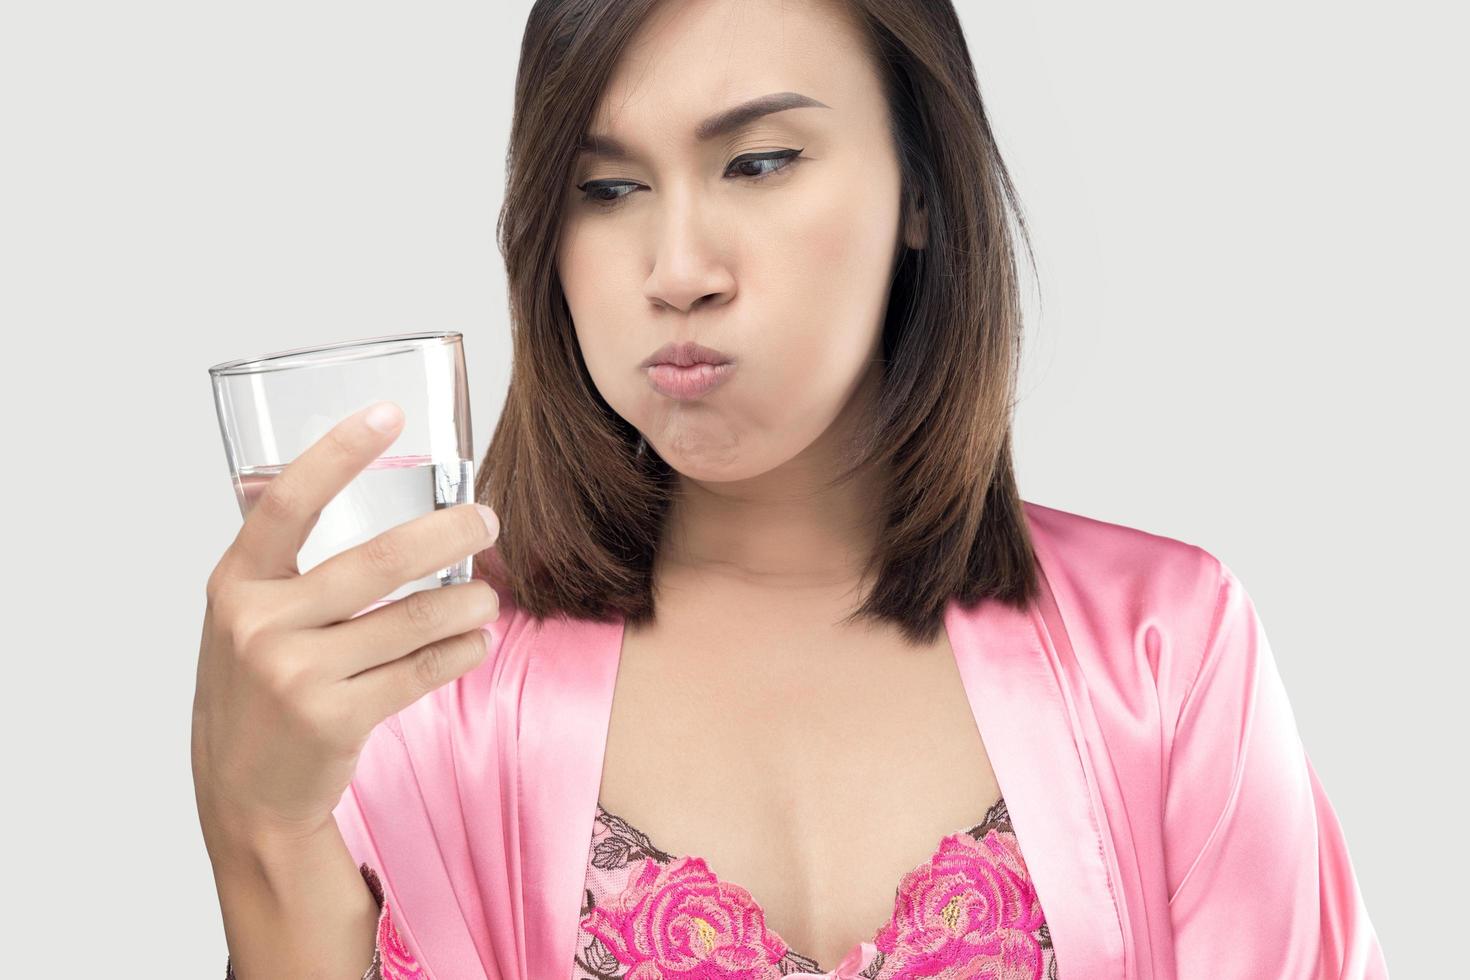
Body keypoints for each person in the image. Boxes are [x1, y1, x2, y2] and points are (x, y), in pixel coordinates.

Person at [196, 1, 1390, 978]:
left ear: (923, 190)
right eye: (607, 189)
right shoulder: (425, 687)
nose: (676, 271)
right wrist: (263, 826)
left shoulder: (1165, 649)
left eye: (760, 162)